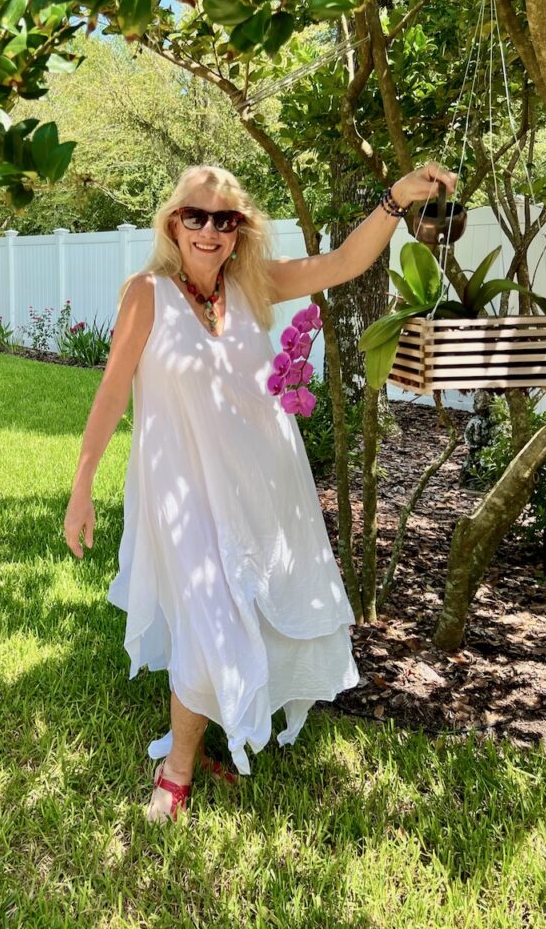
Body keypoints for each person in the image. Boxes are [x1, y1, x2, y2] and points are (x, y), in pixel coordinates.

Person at [64, 161, 457, 824]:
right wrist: (82, 488)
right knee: (208, 615)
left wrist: (395, 200)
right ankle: (178, 771)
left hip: (263, 482)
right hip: (181, 488)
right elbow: (110, 393)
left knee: (247, 606)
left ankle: (219, 727)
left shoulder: (253, 286)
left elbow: (342, 263)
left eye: (226, 219)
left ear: (241, 229)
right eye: (196, 216)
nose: (210, 230)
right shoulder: (146, 294)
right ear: (172, 223)